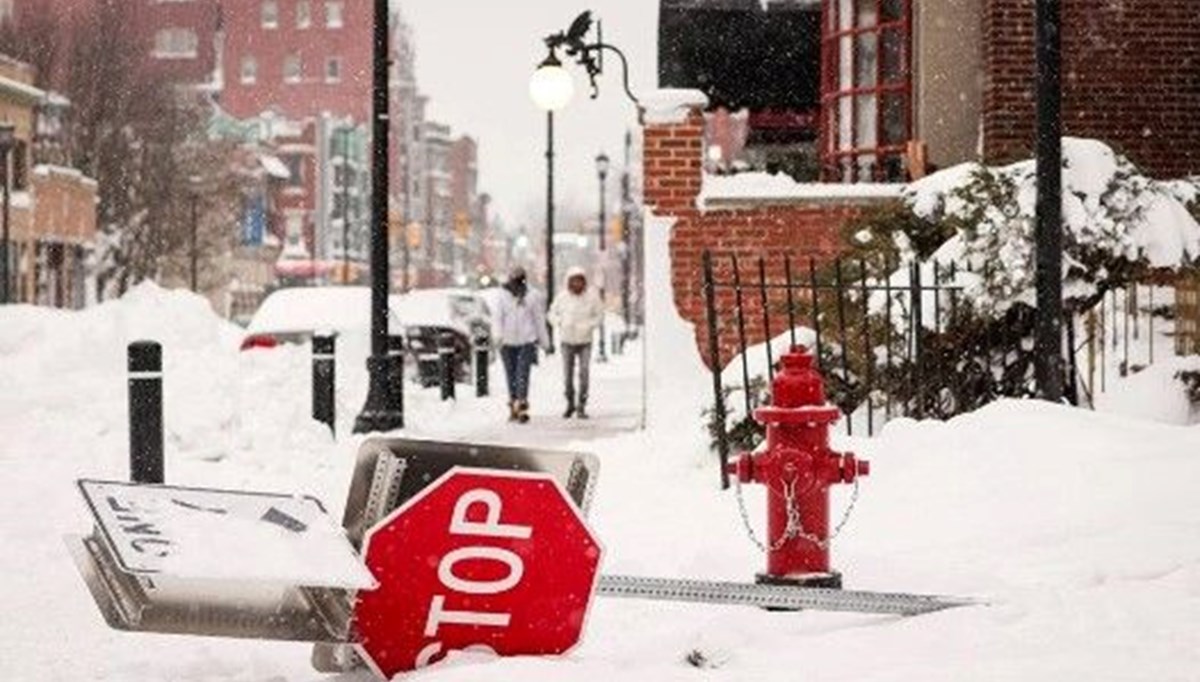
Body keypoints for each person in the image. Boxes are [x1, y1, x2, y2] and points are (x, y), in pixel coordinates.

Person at [548, 266, 604, 419]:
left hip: (585, 340)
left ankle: (582, 405)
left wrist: (589, 325)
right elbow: (552, 313)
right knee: (567, 375)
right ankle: (570, 403)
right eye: (574, 281)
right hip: (567, 340)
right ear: (569, 282)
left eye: (579, 280)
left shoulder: (592, 297)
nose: (577, 284)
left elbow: (599, 315)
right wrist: (560, 322)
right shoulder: (562, 297)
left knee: (584, 373)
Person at [495, 267, 549, 423]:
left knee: (522, 374)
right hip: (507, 342)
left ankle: (522, 404)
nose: (518, 282)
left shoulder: (532, 296)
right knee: (511, 375)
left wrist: (545, 342)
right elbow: (498, 318)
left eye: (520, 278)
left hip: (527, 341)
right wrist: (498, 336)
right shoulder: (502, 296)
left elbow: (539, 321)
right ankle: (513, 404)